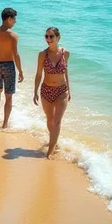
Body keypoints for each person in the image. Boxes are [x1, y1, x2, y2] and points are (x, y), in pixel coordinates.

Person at [33, 27, 71, 159]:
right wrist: (35, 91)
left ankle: (50, 150)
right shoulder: (42, 55)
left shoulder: (66, 54)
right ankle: (53, 141)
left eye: (51, 36)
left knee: (57, 121)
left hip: (62, 91)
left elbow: (66, 72)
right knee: (50, 119)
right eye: (46, 36)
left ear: (58, 37)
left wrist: (69, 91)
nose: (48, 39)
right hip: (46, 91)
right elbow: (38, 74)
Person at [0, 7, 23, 128]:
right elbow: (16, 55)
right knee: (8, 95)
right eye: (14, 19)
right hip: (8, 65)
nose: (15, 22)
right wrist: (20, 70)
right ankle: (5, 124)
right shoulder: (13, 35)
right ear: (9, 19)